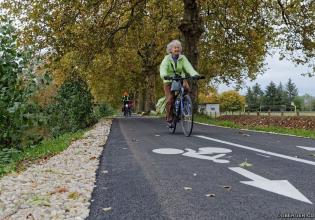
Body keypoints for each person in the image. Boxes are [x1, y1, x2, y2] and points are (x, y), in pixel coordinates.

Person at [159, 40, 200, 126]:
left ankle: (183, 104)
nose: (177, 49)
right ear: (171, 50)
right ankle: (169, 116)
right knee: (170, 99)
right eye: (175, 48)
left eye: (178, 47)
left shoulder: (183, 58)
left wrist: (195, 74)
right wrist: (164, 75)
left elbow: (189, 67)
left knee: (187, 89)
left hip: (180, 79)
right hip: (169, 81)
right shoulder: (166, 59)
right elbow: (163, 68)